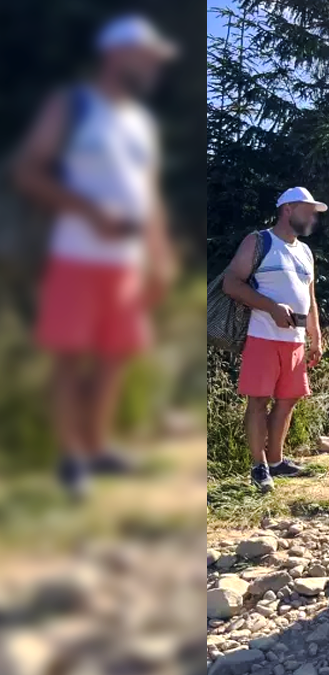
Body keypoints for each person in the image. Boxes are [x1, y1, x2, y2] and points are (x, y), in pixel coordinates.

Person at [13, 15, 178, 499]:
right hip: (75, 255)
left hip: (125, 263)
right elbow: (29, 172)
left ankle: (97, 446)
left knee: (115, 356)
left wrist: (159, 254)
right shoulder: (71, 105)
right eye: (144, 58)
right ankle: (72, 459)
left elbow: (148, 197)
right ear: (116, 56)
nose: (150, 68)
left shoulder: (142, 124)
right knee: (69, 357)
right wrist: (86, 211)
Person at [222, 187, 326, 493]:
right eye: (308, 212)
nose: (312, 219)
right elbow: (231, 283)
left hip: (295, 341)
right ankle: (258, 467)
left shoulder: (305, 251)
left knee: (288, 400)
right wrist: (270, 307)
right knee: (258, 401)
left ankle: (276, 461)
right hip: (263, 336)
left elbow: (311, 298)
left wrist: (315, 336)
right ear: (288, 210)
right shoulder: (259, 241)